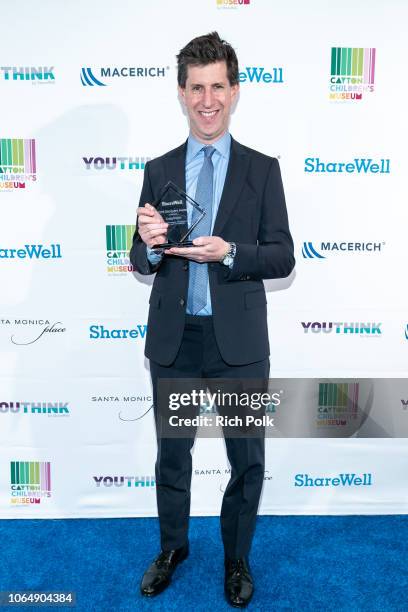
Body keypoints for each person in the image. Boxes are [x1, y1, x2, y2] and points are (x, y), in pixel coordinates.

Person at [129, 31, 295, 608]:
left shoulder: (262, 170)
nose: (207, 99)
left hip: (239, 347)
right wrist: (150, 246)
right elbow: (139, 254)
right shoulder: (158, 169)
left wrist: (228, 252)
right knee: (172, 455)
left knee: (246, 457)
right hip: (176, 342)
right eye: (196, 87)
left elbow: (281, 254)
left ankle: (236, 558)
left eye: (217, 86)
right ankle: (173, 548)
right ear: (181, 93)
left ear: (234, 91)